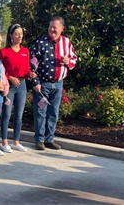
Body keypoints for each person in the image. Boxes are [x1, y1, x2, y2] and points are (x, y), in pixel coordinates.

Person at [31, 16, 77, 150]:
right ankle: (39, 139)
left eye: (54, 27)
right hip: (43, 84)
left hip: (58, 84)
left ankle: (49, 139)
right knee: (40, 112)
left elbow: (74, 58)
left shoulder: (66, 43)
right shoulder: (41, 43)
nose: (51, 29)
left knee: (53, 112)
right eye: (50, 27)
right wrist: (35, 82)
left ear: (62, 29)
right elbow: (32, 64)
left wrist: (69, 62)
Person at [0, 24, 36, 153]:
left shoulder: (25, 51)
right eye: (17, 34)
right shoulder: (4, 52)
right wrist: (9, 77)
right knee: (6, 115)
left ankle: (16, 141)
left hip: (22, 85)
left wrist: (30, 74)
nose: (20, 37)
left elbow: (26, 69)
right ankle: (4, 142)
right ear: (10, 36)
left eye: (21, 34)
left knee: (19, 116)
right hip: (9, 86)